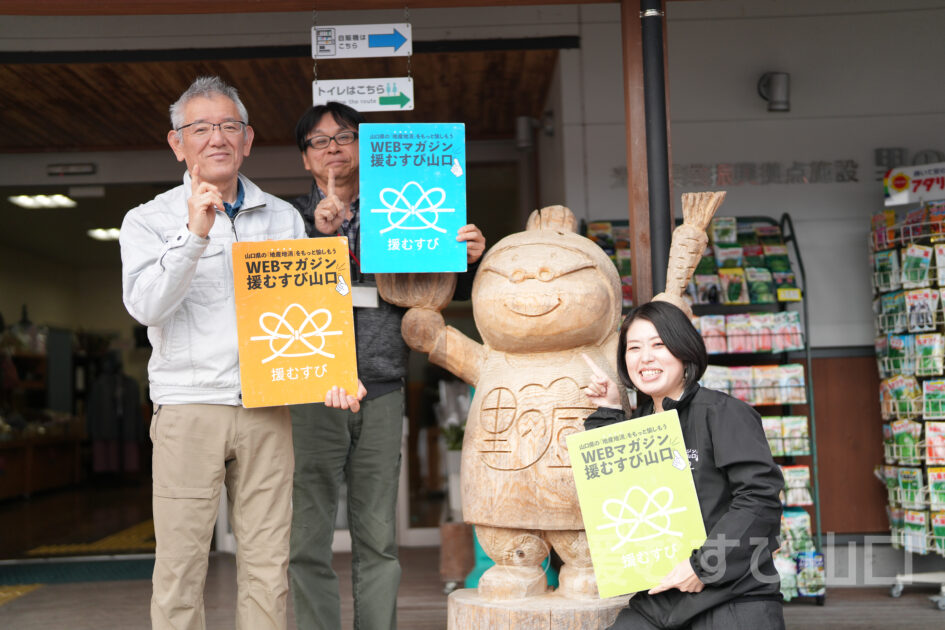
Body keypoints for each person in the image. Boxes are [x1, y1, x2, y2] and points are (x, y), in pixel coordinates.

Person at [119, 77, 364, 630]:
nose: (217, 138)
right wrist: (193, 235)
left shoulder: (281, 217)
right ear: (177, 143)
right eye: (200, 128)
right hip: (188, 407)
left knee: (268, 567)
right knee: (180, 569)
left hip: (267, 408)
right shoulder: (148, 220)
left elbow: (306, 309)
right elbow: (146, 308)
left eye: (229, 126)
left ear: (248, 140)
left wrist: (334, 370)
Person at [287, 102, 486, 630]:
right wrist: (320, 234)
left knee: (379, 537)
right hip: (310, 389)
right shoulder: (286, 220)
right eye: (319, 140)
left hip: (383, 383)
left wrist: (467, 258)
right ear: (305, 159)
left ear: (366, 148)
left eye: (344, 136)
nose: (333, 147)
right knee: (306, 537)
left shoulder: (402, 206)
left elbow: (441, 288)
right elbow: (274, 294)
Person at [582, 300, 785, 630]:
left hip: (730, 597)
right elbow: (617, 495)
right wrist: (608, 411)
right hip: (657, 603)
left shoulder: (723, 413)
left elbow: (759, 500)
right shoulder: (638, 424)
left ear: (683, 349)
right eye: (634, 348)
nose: (645, 357)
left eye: (658, 344)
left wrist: (704, 566)